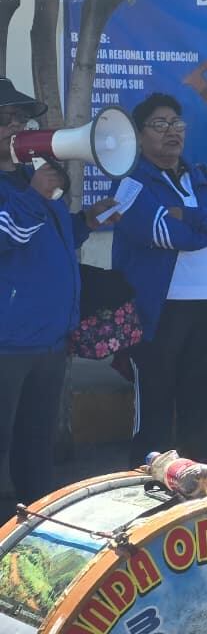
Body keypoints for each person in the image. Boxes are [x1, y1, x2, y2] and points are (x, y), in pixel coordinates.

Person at [0, 78, 117, 503]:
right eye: (4, 119)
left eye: (19, 118)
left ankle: (31, 536)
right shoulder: (31, 189)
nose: (15, 126)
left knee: (34, 449)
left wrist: (86, 222)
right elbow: (6, 236)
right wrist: (35, 197)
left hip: (46, 341)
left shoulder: (32, 181)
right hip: (7, 343)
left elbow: (48, 241)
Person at [112, 93, 207, 465]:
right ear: (138, 137)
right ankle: (145, 493)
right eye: (159, 124)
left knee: (201, 408)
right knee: (153, 411)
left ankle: (198, 492)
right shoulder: (130, 183)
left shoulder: (206, 175)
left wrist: (185, 215)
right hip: (157, 316)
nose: (171, 131)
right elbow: (167, 235)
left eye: (176, 123)